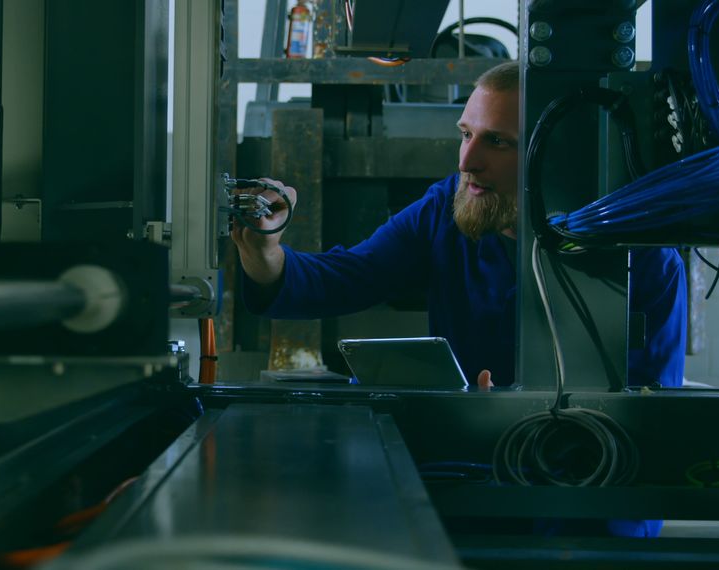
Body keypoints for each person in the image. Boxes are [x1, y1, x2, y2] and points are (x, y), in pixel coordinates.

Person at [231, 60, 686, 389]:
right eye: (465, 134)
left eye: (497, 142)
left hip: (588, 501)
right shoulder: (444, 209)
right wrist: (268, 256)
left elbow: (652, 407)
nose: (468, 161)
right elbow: (351, 276)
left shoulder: (643, 257)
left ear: (554, 153)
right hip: (465, 468)